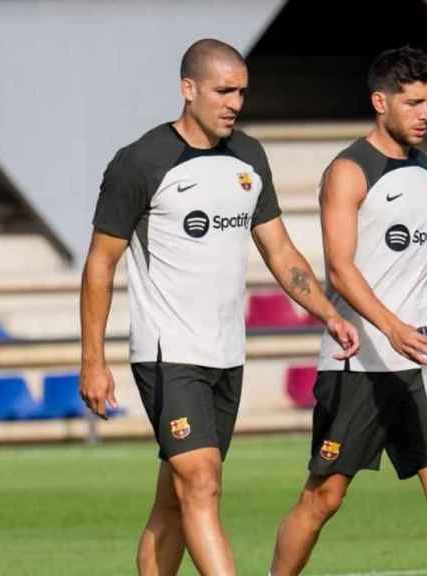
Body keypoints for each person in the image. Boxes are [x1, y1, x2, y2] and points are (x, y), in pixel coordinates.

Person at [79, 38, 359, 576]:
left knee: (174, 504)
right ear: (189, 90)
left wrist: (329, 312)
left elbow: (279, 250)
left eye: (241, 92)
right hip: (168, 353)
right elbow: (99, 264)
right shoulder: (141, 162)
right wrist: (93, 359)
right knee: (202, 483)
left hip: (227, 355)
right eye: (223, 91)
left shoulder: (249, 157)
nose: (234, 102)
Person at [270, 46, 427, 575]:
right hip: (358, 360)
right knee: (325, 498)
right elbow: (339, 269)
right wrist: (391, 328)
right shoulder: (348, 170)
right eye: (412, 103)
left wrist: (413, 334)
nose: (425, 114)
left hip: (423, 356)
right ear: (379, 102)